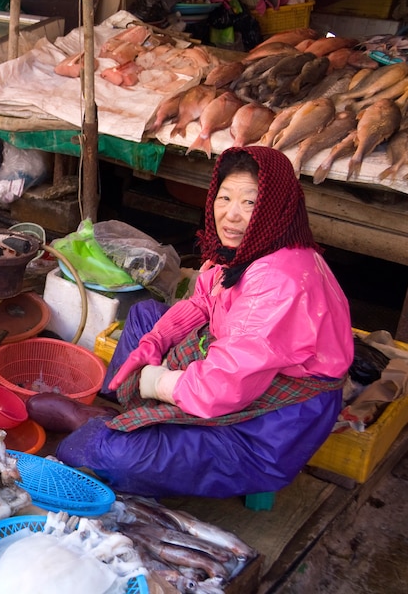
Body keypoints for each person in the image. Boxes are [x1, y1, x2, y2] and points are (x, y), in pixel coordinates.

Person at [56, 146, 353, 498]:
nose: (232, 215)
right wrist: (156, 341)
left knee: (112, 455)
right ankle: (126, 416)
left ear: (276, 209)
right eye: (225, 197)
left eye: (250, 203)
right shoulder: (251, 250)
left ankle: (117, 431)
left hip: (268, 430)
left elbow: (219, 388)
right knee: (145, 316)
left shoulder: (279, 281)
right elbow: (203, 298)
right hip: (245, 376)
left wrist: (158, 381)